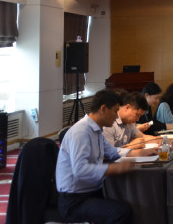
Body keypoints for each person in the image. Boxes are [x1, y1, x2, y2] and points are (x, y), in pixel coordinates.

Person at [56, 89, 136, 224]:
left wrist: (139, 153)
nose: (116, 116)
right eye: (115, 111)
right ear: (103, 109)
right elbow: (80, 170)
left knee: (130, 200)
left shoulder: (96, 130)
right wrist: (114, 168)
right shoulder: (81, 131)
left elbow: (113, 152)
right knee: (121, 212)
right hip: (74, 200)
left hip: (91, 192)